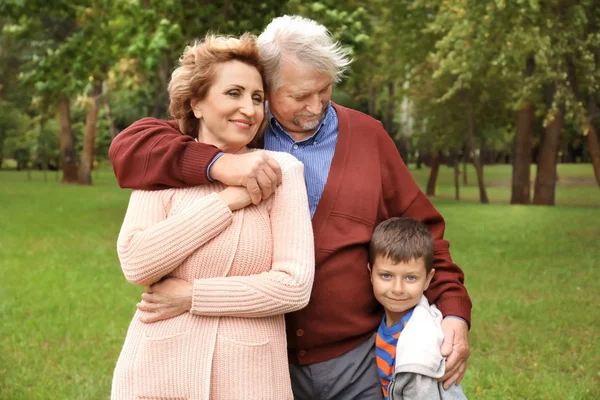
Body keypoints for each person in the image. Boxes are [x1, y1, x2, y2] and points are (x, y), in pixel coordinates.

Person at [109, 15, 472, 400]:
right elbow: (131, 148)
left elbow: (426, 232)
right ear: (266, 87)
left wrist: (453, 310)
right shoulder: (241, 128)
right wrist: (220, 165)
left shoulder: (368, 137)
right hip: (265, 362)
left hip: (355, 356)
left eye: (325, 90)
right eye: (299, 96)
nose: (315, 106)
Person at [110, 33, 315, 400]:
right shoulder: (162, 166)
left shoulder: (280, 171)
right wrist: (226, 203)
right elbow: (137, 263)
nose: (249, 109)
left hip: (250, 380)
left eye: (257, 98)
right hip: (157, 373)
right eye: (233, 93)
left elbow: (293, 286)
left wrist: (193, 295)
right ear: (197, 104)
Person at [369, 217, 467, 400]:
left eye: (410, 278)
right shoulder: (387, 321)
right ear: (370, 274)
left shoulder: (420, 346)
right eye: (386, 275)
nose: (397, 289)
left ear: (428, 280)